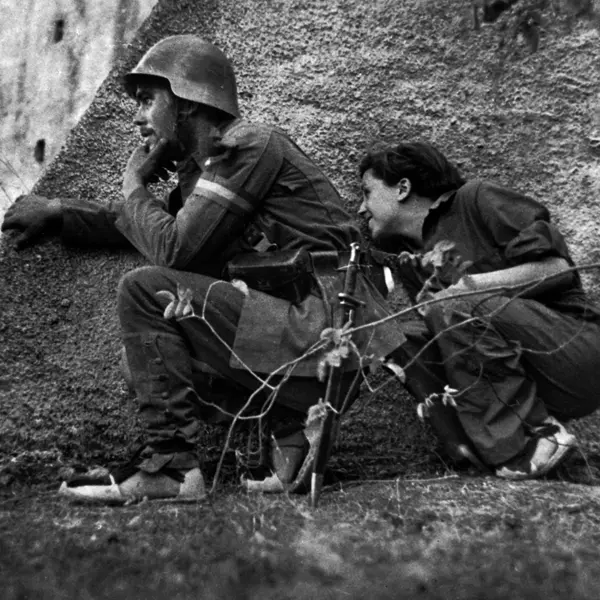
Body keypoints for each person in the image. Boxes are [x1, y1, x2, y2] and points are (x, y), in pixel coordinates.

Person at [1, 35, 405, 503]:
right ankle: (291, 435)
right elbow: (138, 222)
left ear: (188, 101)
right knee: (147, 363)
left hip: (329, 322)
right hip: (302, 333)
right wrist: (58, 211)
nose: (138, 117)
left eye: (148, 101)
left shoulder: (249, 145)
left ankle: (173, 468)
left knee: (145, 291)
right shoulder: (206, 175)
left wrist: (133, 181)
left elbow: (172, 248)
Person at [357, 140, 600, 480]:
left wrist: (464, 290)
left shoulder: (476, 198)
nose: (360, 208)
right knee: (394, 337)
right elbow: (454, 345)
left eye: (367, 192)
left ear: (403, 188)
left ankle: (534, 443)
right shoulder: (411, 260)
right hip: (526, 373)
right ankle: (480, 455)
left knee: (454, 302)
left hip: (574, 353)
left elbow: (556, 269)